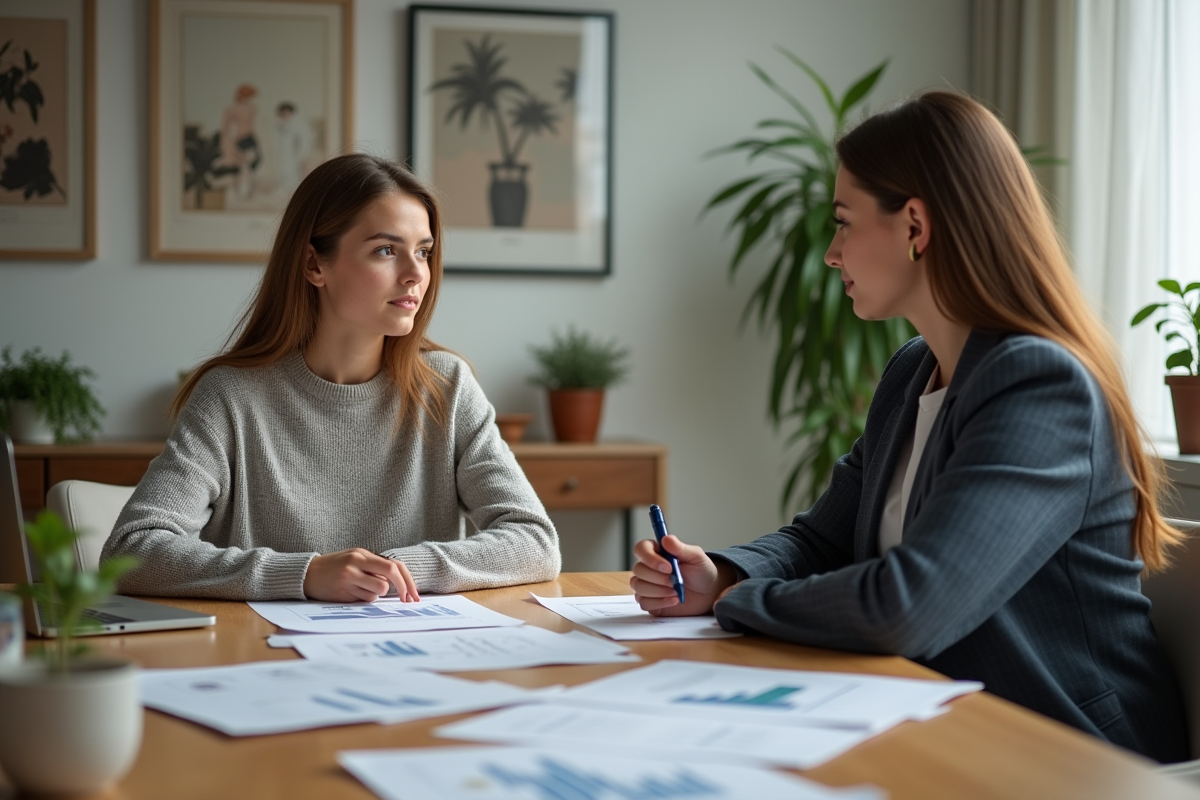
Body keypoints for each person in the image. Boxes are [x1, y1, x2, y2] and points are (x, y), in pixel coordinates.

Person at [630, 91, 1189, 762]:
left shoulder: (1042, 386)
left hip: (1066, 752)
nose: (833, 254)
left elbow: (909, 607)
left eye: (844, 222)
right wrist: (720, 573)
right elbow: (821, 539)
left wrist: (739, 600)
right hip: (936, 718)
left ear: (915, 226)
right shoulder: (912, 372)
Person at [103, 154, 560, 603]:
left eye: (423, 251)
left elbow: (536, 542)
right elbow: (131, 550)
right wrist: (301, 575)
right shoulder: (231, 396)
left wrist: (402, 570)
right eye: (386, 250)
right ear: (313, 265)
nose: (416, 273)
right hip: (263, 661)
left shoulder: (447, 387)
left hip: (416, 660)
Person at [274, 101, 314, 195]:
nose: (285, 115)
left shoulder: (298, 124)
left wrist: (302, 155)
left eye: (287, 112)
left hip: (295, 155)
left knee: (295, 175)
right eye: (283, 113)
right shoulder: (281, 125)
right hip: (284, 155)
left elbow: (305, 139)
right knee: (285, 172)